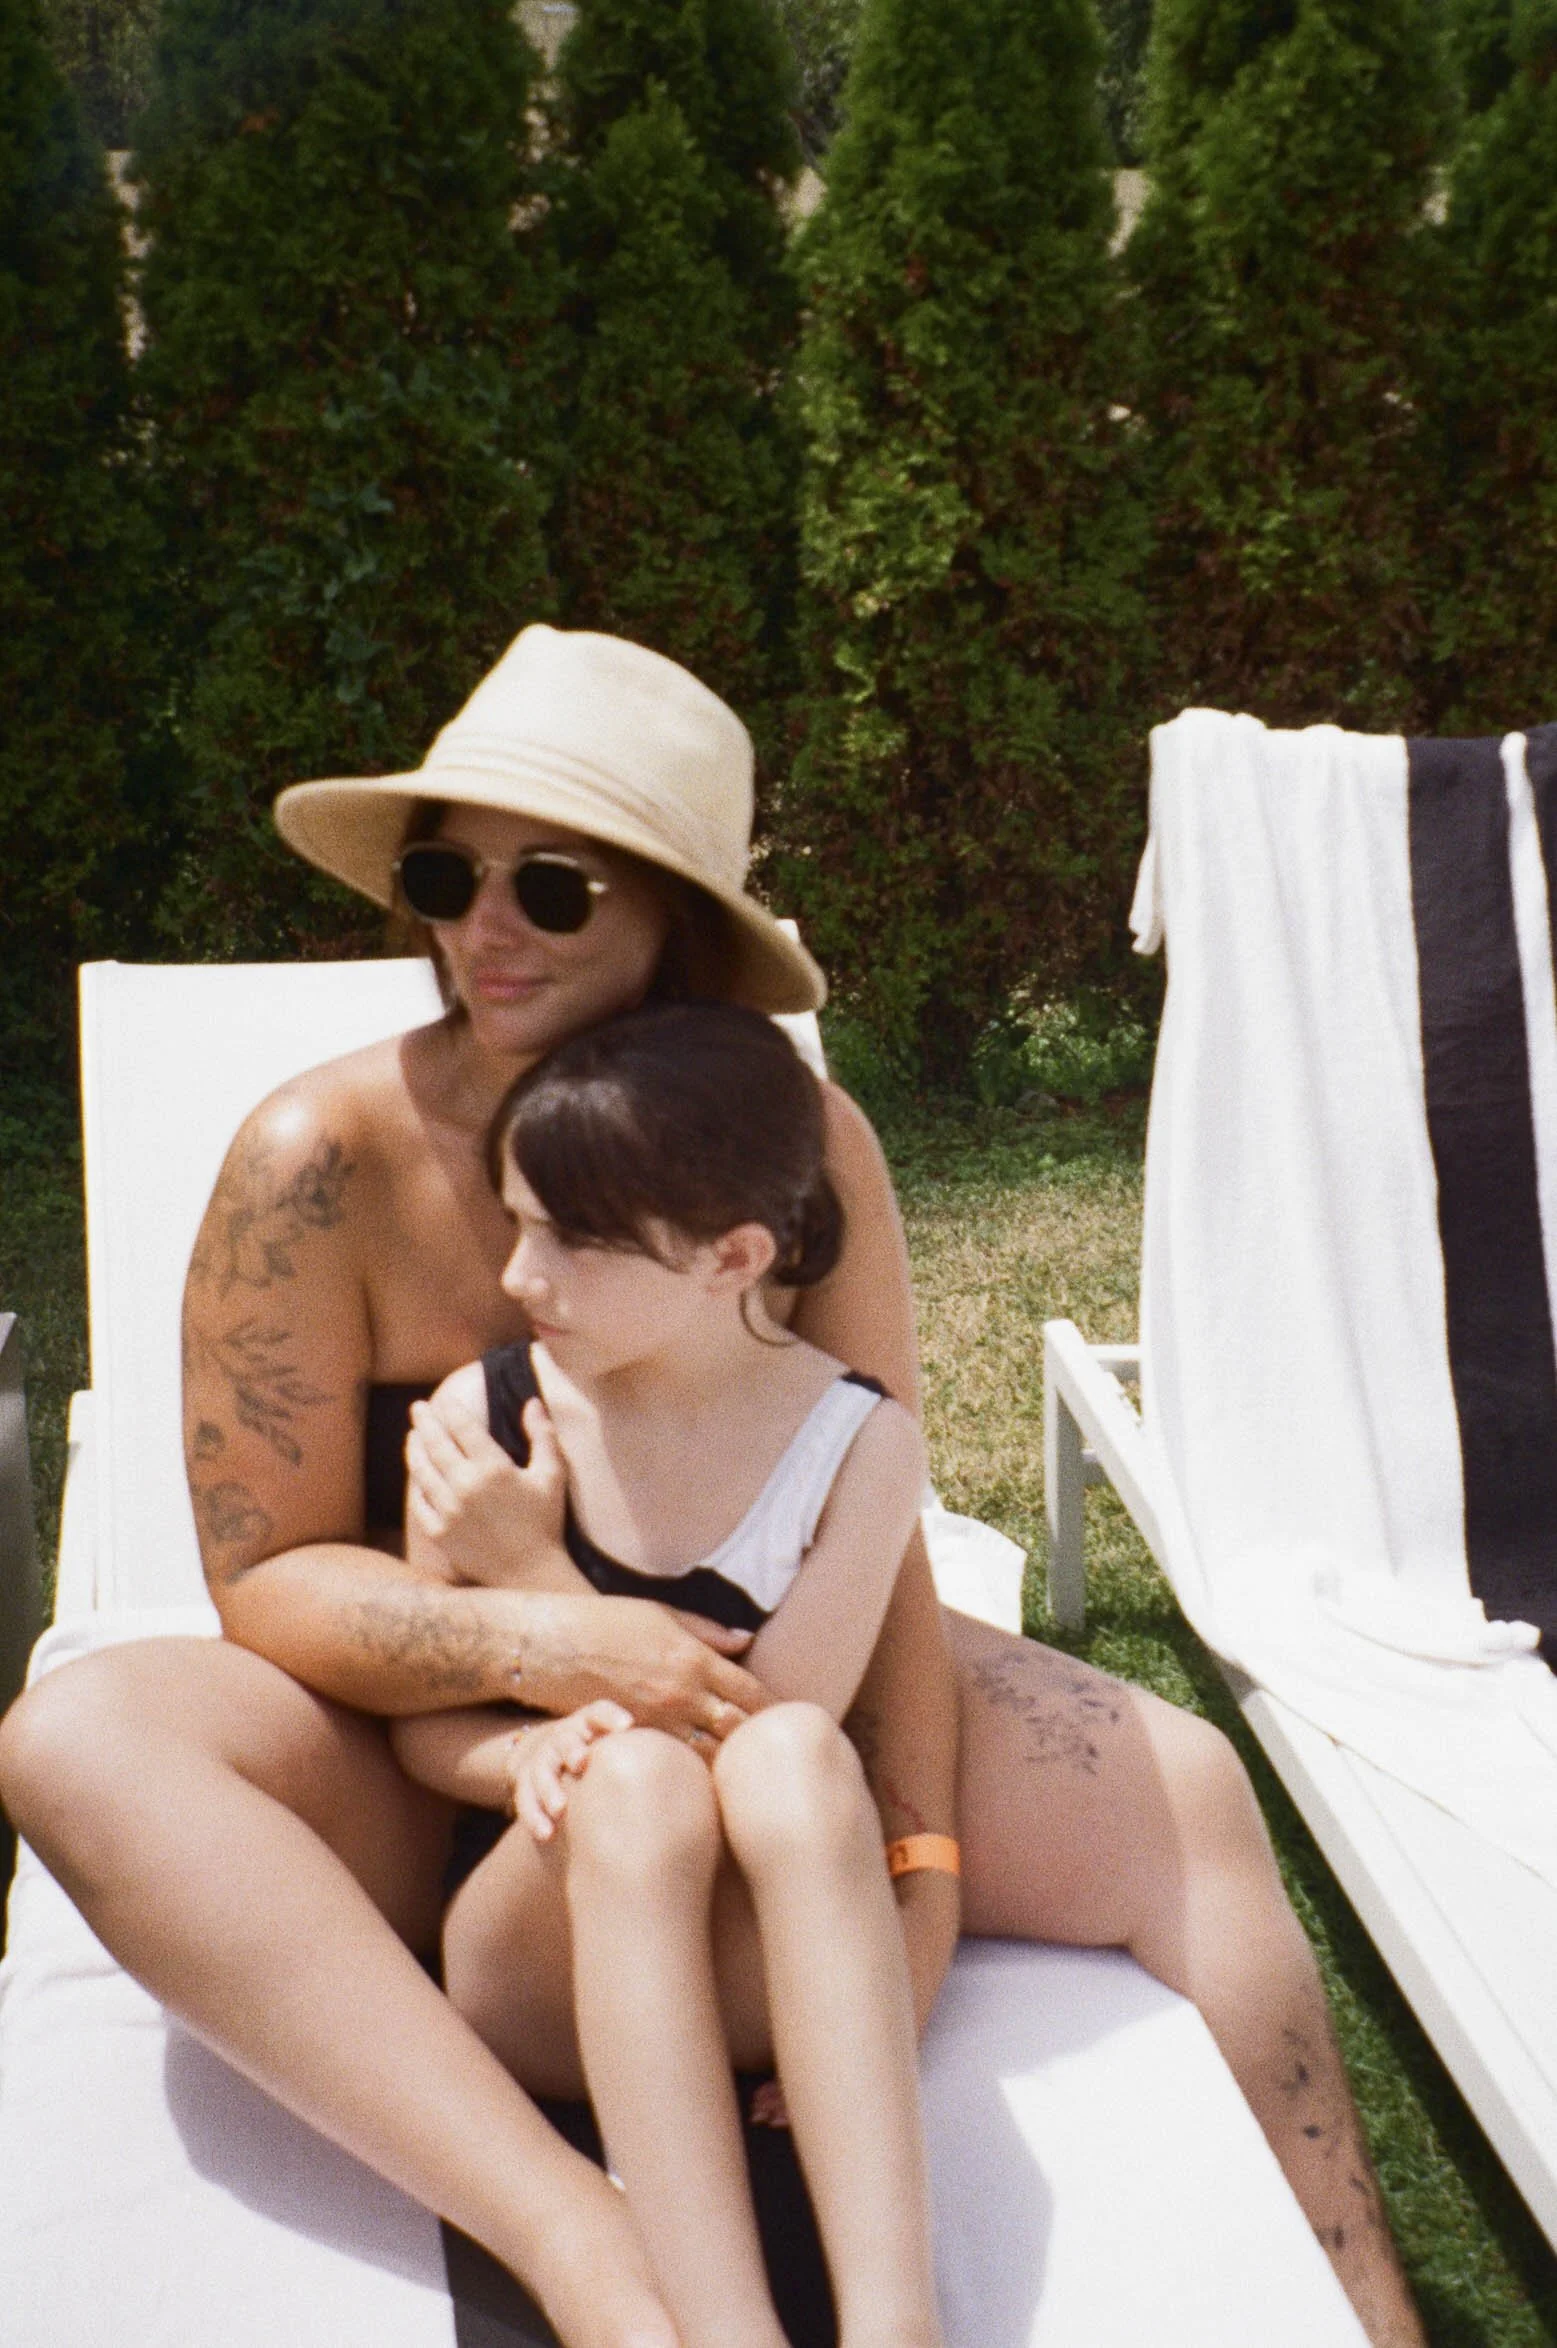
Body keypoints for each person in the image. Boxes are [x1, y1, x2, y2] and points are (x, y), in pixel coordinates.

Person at [0, 625, 1425, 2348]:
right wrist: (560, 1650)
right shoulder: (322, 1161)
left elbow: (877, 1540)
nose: (482, 928)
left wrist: (920, 1883)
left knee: (1184, 1792)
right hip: (410, 1748)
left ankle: (1369, 2311)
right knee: (79, 1739)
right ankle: (573, 2237)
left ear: (673, 919)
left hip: (755, 1714)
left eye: (551, 889)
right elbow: (269, 1583)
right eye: (447, 876)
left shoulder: (798, 1152)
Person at [392, 999, 943, 2348]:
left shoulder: (856, 1446)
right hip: (543, 1966)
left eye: (573, 1239)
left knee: (793, 1755)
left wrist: (535, 1572)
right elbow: (418, 1729)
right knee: (633, 1781)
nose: (521, 1275)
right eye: (518, 1221)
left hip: (755, 1960)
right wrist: (524, 1753)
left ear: (732, 1256)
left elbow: (759, 1726)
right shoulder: (488, 1424)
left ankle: (897, 2326)